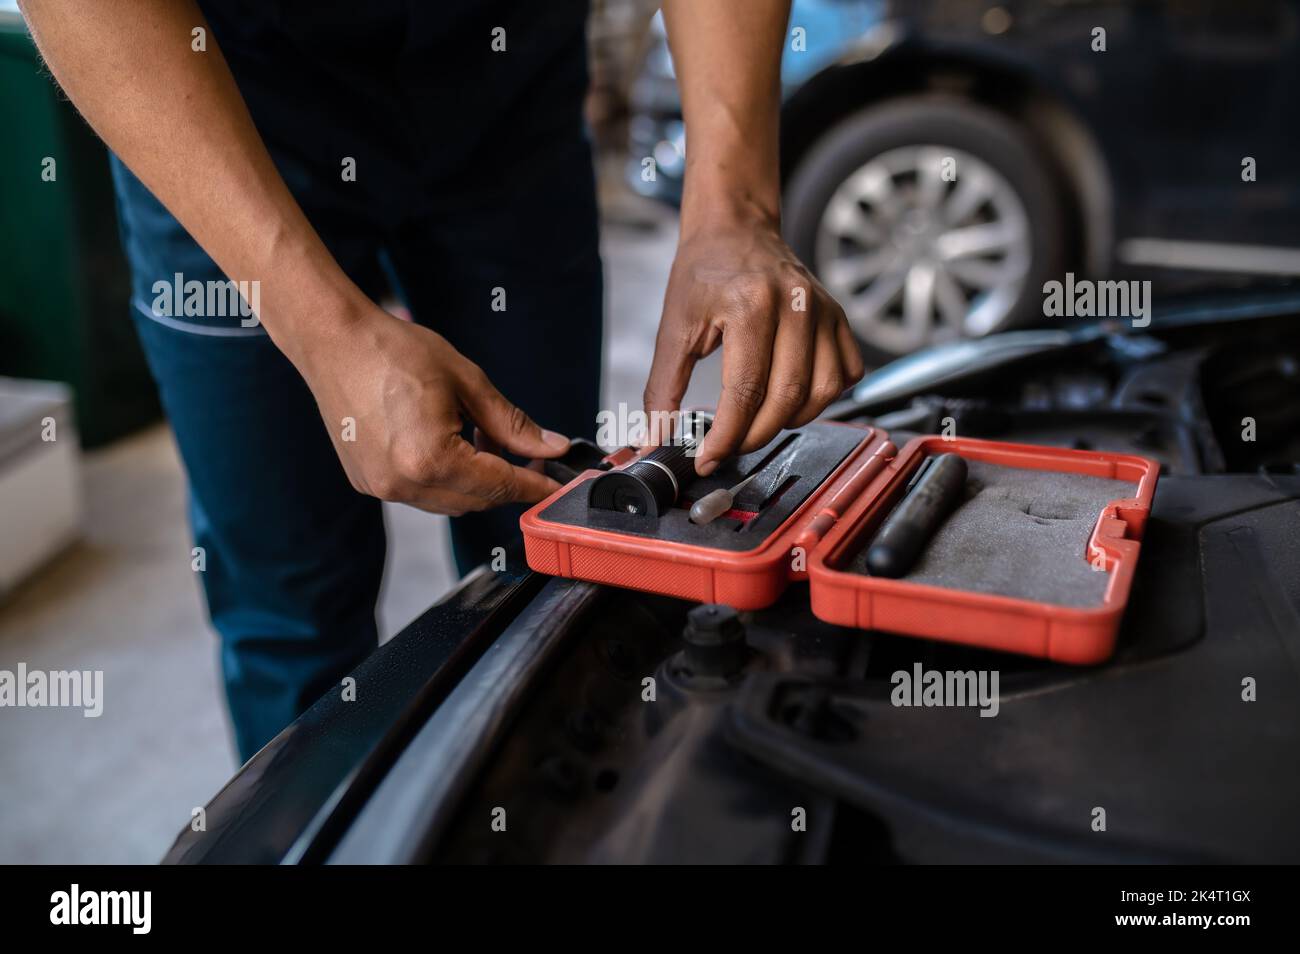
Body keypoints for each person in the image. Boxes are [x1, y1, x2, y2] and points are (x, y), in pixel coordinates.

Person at [21, 0, 863, 760]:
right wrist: (323, 330)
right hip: (219, 97)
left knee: (545, 549)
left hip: (505, 81)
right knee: (289, 606)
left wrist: (732, 210)